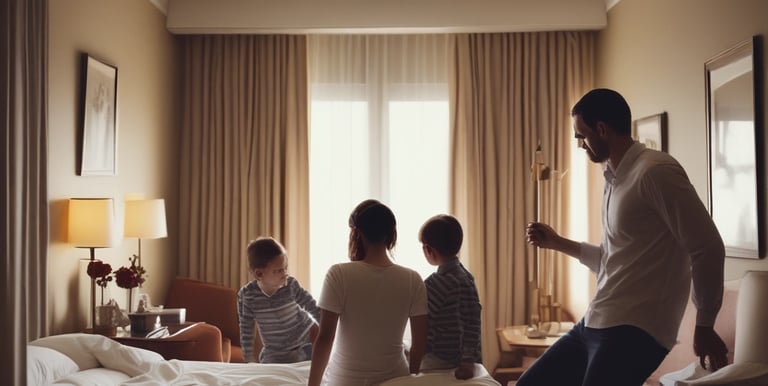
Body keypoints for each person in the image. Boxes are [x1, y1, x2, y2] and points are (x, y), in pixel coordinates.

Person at [520, 88, 728, 386]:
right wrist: (557, 242)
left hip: (635, 329)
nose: (580, 145)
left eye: (581, 135)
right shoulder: (614, 177)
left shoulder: (656, 172)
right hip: (595, 321)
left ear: (602, 129)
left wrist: (705, 324)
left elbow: (707, 247)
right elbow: (613, 258)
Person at [308, 199, 428, 386]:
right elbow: (419, 343)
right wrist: (410, 378)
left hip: (344, 381)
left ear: (357, 234)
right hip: (395, 379)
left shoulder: (338, 274)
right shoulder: (413, 279)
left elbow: (325, 338)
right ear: (391, 235)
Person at [237, 236, 320, 363]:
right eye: (279, 270)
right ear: (259, 274)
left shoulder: (291, 285)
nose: (285, 273)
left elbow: (312, 306)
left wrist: (327, 328)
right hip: (275, 352)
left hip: (306, 341)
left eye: (286, 267)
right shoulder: (247, 295)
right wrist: (248, 358)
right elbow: (246, 328)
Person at [418, 214, 482, 380]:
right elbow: (473, 321)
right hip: (463, 358)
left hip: (440, 359)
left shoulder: (434, 284)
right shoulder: (467, 278)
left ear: (428, 250)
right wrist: (468, 360)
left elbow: (425, 328)